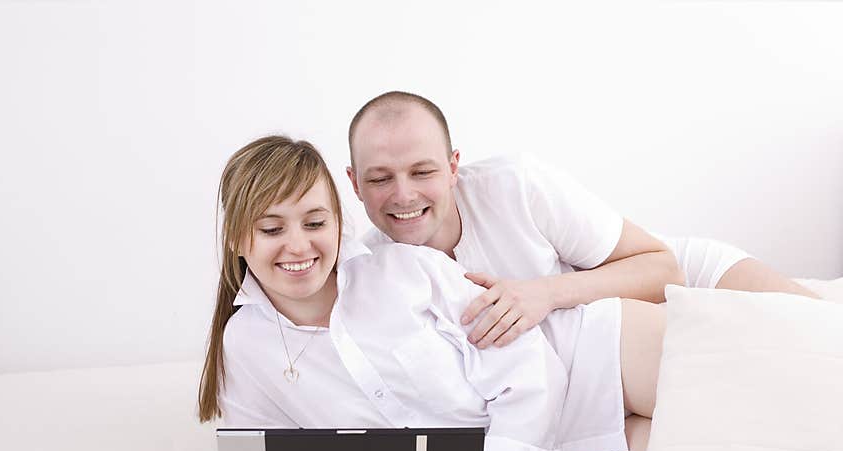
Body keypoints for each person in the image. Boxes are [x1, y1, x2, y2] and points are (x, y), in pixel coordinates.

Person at [199, 135, 667, 451]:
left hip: (589, 354)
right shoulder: (246, 344)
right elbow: (257, 444)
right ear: (239, 238)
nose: (298, 245)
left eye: (315, 223)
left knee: (731, 389)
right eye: (272, 229)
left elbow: (526, 363)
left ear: (339, 223)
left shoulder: (405, 270)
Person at [346, 91, 821, 351]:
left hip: (688, 278)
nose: (403, 195)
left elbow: (663, 267)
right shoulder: (374, 271)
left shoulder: (515, 184)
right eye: (380, 178)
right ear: (354, 183)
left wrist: (543, 294)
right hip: (619, 352)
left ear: (453, 166)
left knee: (820, 336)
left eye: (422, 171)